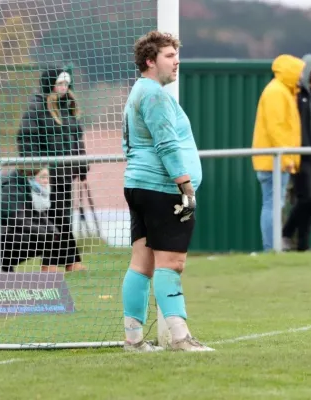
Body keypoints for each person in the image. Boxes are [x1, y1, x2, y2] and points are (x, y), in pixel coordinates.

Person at [121, 30, 213, 352]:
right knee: (171, 263)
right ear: (150, 61)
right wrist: (186, 188)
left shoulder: (139, 91)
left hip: (138, 185)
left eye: (177, 55)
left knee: (141, 264)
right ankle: (180, 338)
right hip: (162, 190)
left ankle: (133, 340)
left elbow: (129, 144)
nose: (177, 62)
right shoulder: (156, 95)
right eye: (169, 56)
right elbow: (166, 144)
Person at [17, 68, 88, 272]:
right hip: (47, 175)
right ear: (50, 84)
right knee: (53, 217)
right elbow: (26, 139)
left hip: (66, 173)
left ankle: (69, 262)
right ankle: (51, 263)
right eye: (60, 84)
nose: (64, 88)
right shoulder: (36, 108)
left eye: (66, 84)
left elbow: (77, 140)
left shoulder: (68, 109)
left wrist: (81, 166)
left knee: (63, 216)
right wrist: (36, 170)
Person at [0, 167, 65, 273]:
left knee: (49, 237)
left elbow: (38, 215)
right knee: (35, 238)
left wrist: (53, 232)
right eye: (43, 177)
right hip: (0, 236)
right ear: (31, 177)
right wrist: (45, 233)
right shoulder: (11, 188)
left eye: (48, 177)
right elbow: (16, 220)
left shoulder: (31, 191)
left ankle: (4, 266)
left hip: (9, 235)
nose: (46, 181)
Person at [251, 54, 305, 252]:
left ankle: (273, 247)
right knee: (273, 205)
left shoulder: (284, 91)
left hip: (276, 161)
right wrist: (288, 158)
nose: (302, 78)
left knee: (275, 204)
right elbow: (277, 129)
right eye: (300, 73)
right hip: (274, 162)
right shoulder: (277, 92)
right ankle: (271, 248)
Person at [282, 54, 311, 252]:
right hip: (303, 156)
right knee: (307, 198)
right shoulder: (299, 95)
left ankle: (303, 245)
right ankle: (286, 232)